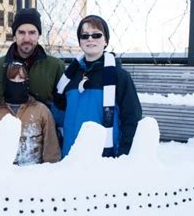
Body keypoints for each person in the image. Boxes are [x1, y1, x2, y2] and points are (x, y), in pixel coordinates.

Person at [54, 15, 142, 158]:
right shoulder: (68, 78)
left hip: (104, 159)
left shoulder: (119, 77)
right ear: (80, 42)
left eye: (96, 35)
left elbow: (131, 118)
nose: (90, 39)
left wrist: (123, 154)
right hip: (70, 157)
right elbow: (58, 115)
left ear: (105, 41)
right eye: (85, 36)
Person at [0, 8, 65, 113]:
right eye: (21, 32)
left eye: (32, 32)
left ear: (39, 35)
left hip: (42, 126)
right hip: (6, 127)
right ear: (14, 35)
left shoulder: (55, 67)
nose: (27, 38)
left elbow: (62, 103)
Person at [0, 62, 61, 166]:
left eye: (21, 79)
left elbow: (51, 149)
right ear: (6, 82)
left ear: (26, 81)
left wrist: (50, 172)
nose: (17, 83)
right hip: (4, 176)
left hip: (34, 175)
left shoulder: (41, 110)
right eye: (12, 79)